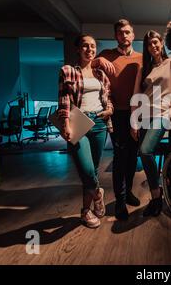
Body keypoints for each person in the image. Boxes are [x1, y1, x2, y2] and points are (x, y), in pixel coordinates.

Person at [57, 35, 114, 228]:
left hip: (99, 123)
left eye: (92, 46)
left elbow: (108, 98)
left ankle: (85, 211)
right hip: (78, 121)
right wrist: (65, 123)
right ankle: (98, 194)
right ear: (78, 49)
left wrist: (110, 110)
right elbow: (64, 98)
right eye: (85, 46)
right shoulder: (68, 71)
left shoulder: (101, 75)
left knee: (91, 171)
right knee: (87, 170)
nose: (89, 49)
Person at [135, 30, 171, 217]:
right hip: (144, 115)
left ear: (161, 43)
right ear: (147, 47)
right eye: (150, 44)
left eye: (156, 42)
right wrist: (134, 120)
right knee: (144, 154)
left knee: (145, 150)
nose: (154, 46)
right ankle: (156, 199)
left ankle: (161, 191)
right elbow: (137, 96)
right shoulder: (144, 68)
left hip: (165, 113)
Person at [94, 19, 142, 220]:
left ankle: (128, 190)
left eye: (128, 32)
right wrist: (98, 60)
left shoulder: (141, 57)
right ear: (116, 36)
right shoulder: (106, 55)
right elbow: (88, 64)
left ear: (133, 35)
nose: (124, 35)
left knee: (132, 156)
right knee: (120, 156)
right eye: (121, 32)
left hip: (137, 113)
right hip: (115, 113)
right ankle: (120, 201)